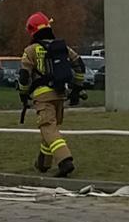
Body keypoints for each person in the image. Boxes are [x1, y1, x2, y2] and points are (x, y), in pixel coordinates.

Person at [18, 12, 85, 178]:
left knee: (48, 128)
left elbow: (24, 76)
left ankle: (65, 160)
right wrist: (76, 87)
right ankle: (43, 163)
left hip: (42, 96)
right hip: (60, 94)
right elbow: (79, 65)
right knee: (51, 129)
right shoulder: (62, 48)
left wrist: (23, 93)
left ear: (32, 31)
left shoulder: (30, 50)